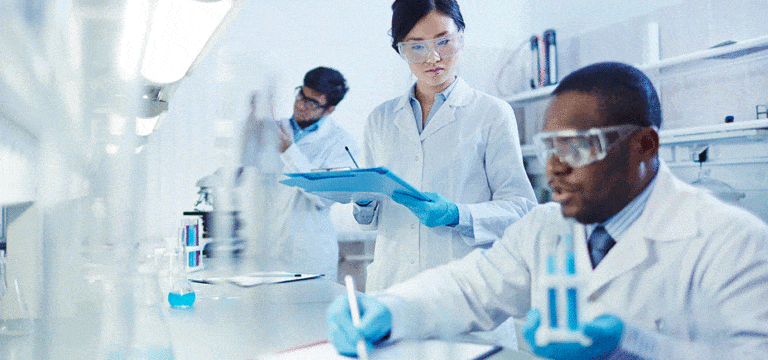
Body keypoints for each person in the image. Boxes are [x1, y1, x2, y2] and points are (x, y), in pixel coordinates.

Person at [327, 62, 768, 359]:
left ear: (645, 145)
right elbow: (467, 289)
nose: (554, 166)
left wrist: (631, 348)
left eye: (576, 145)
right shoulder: (545, 227)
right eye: (549, 147)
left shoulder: (733, 241)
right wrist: (388, 309)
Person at [354, 0, 537, 294]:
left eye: (444, 41)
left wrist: (457, 214)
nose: (433, 57)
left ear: (461, 36)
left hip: (466, 289)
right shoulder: (380, 120)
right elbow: (369, 221)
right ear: (400, 49)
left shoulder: (492, 113)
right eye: (416, 46)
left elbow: (521, 209)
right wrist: (362, 202)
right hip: (393, 285)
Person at [239, 66, 359, 279]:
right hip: (265, 247)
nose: (300, 105)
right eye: (300, 95)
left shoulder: (341, 144)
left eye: (312, 103)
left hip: (308, 256)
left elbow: (324, 196)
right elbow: (245, 164)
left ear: (329, 109)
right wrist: (251, 120)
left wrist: (289, 151)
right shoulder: (275, 129)